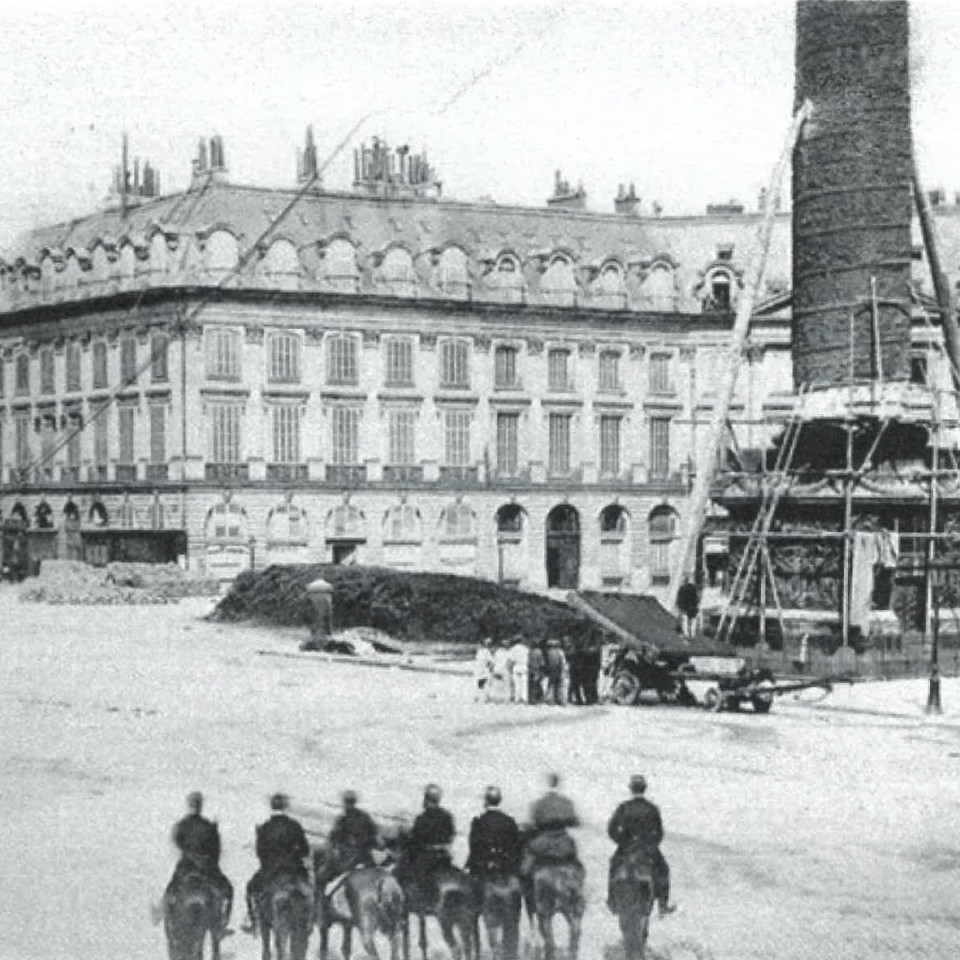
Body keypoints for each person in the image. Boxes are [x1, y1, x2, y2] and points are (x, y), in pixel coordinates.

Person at [164, 791, 233, 936]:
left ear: (190, 805)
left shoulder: (182, 824)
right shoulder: (208, 825)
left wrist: (187, 852)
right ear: (201, 806)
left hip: (186, 865)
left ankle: (170, 923)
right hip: (207, 867)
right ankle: (221, 925)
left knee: (170, 892)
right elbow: (216, 849)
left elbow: (177, 843)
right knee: (227, 890)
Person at [607, 775, 676, 918]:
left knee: (613, 867)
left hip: (626, 848)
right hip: (647, 849)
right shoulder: (652, 808)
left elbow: (612, 829)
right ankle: (663, 904)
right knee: (663, 870)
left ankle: (612, 901)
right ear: (644, 789)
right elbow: (659, 832)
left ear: (631, 789)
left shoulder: (623, 807)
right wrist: (651, 844)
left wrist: (621, 841)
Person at [242, 793, 310, 935]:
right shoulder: (294, 825)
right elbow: (305, 850)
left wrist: (269, 861)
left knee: (251, 888)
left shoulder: (265, 827)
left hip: (270, 869)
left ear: (272, 807)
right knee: (309, 891)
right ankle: (309, 920)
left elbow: (260, 853)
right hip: (293, 869)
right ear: (285, 806)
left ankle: (252, 919)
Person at [400, 783, 456, 902]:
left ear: (426, 799)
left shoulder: (422, 818)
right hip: (444, 858)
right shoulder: (448, 816)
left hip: (427, 859)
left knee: (407, 878)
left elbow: (415, 841)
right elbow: (451, 836)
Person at [522, 773, 581, 875]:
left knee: (527, 861)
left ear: (548, 783)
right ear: (558, 783)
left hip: (544, 840)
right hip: (563, 840)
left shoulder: (539, 803)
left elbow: (533, 822)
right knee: (577, 864)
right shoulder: (566, 802)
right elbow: (575, 822)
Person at [465, 786, 522, 879]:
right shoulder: (509, 821)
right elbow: (516, 845)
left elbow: (473, 846)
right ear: (500, 800)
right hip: (505, 864)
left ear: (486, 801)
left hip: (483, 865)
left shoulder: (479, 821)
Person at [328, 789, 380, 872]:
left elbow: (333, 839)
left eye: (349, 802)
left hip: (351, 857)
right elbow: (375, 833)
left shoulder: (343, 819)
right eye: (347, 801)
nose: (348, 804)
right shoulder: (363, 816)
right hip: (364, 856)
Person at [544, 639, 566, 705]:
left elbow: (546, 663)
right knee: (559, 685)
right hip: (558, 670)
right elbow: (562, 662)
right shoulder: (560, 652)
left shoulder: (548, 652)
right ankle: (560, 700)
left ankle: (550, 700)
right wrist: (563, 670)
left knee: (550, 685)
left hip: (551, 670)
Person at [508, 636, 529, 704]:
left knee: (517, 683)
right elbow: (528, 658)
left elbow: (511, 660)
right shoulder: (526, 649)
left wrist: (510, 668)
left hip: (516, 666)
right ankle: (524, 698)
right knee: (524, 683)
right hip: (524, 666)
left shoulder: (513, 649)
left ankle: (517, 699)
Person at [581, 641, 603, 705]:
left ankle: (589, 700)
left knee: (587, 685)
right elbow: (599, 663)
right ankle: (594, 698)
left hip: (588, 671)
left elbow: (583, 662)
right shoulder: (597, 651)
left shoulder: (587, 653)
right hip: (594, 670)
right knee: (593, 684)